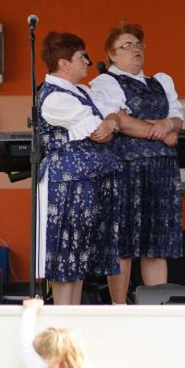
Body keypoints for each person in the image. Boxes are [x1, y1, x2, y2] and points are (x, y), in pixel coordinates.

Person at [91, 22, 184, 305]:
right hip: (127, 169)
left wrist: (169, 124)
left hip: (162, 171)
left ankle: (158, 308)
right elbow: (119, 120)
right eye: (126, 46)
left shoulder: (161, 81)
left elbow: (178, 117)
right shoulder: (107, 82)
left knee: (157, 243)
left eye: (138, 44)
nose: (135, 50)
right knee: (124, 241)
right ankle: (119, 306)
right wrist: (162, 133)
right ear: (112, 54)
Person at [34, 32, 122, 306]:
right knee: (66, 254)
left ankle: (72, 314)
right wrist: (110, 124)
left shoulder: (82, 91)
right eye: (82, 56)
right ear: (64, 63)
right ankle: (62, 315)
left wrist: (112, 122)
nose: (87, 61)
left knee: (79, 254)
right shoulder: (54, 98)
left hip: (86, 182)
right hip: (66, 183)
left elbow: (112, 116)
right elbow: (99, 132)